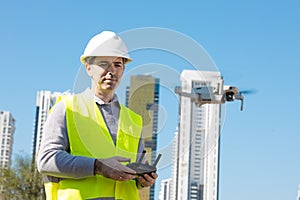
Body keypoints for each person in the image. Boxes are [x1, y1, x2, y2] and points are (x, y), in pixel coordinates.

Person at [37, 31, 158, 200]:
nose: (111, 71)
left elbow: (134, 177)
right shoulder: (67, 108)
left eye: (117, 65)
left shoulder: (133, 120)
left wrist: (143, 180)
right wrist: (98, 167)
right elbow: (46, 160)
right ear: (88, 68)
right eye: (103, 64)